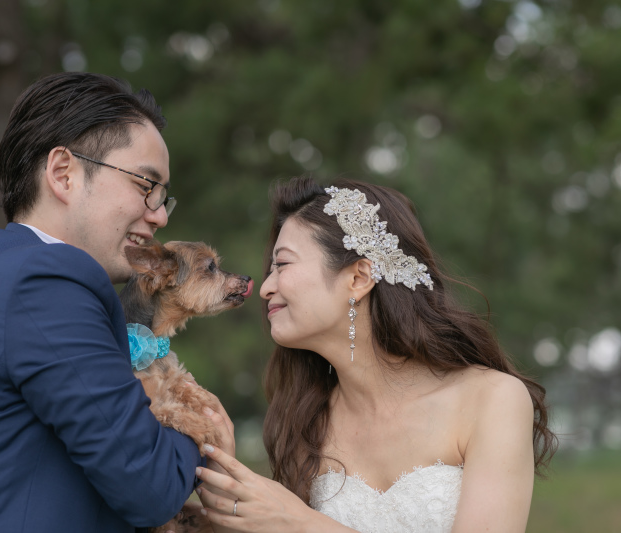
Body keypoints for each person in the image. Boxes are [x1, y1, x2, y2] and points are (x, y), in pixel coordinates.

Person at [0, 72, 232, 532]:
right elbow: (150, 486)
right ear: (63, 173)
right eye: (145, 185)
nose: (160, 214)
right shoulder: (45, 282)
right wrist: (206, 431)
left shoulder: (7, 270)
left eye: (164, 196)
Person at [193, 177, 557, 532]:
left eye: (283, 265)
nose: (266, 287)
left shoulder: (491, 400)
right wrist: (226, 480)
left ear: (359, 277)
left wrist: (299, 523)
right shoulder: (305, 419)